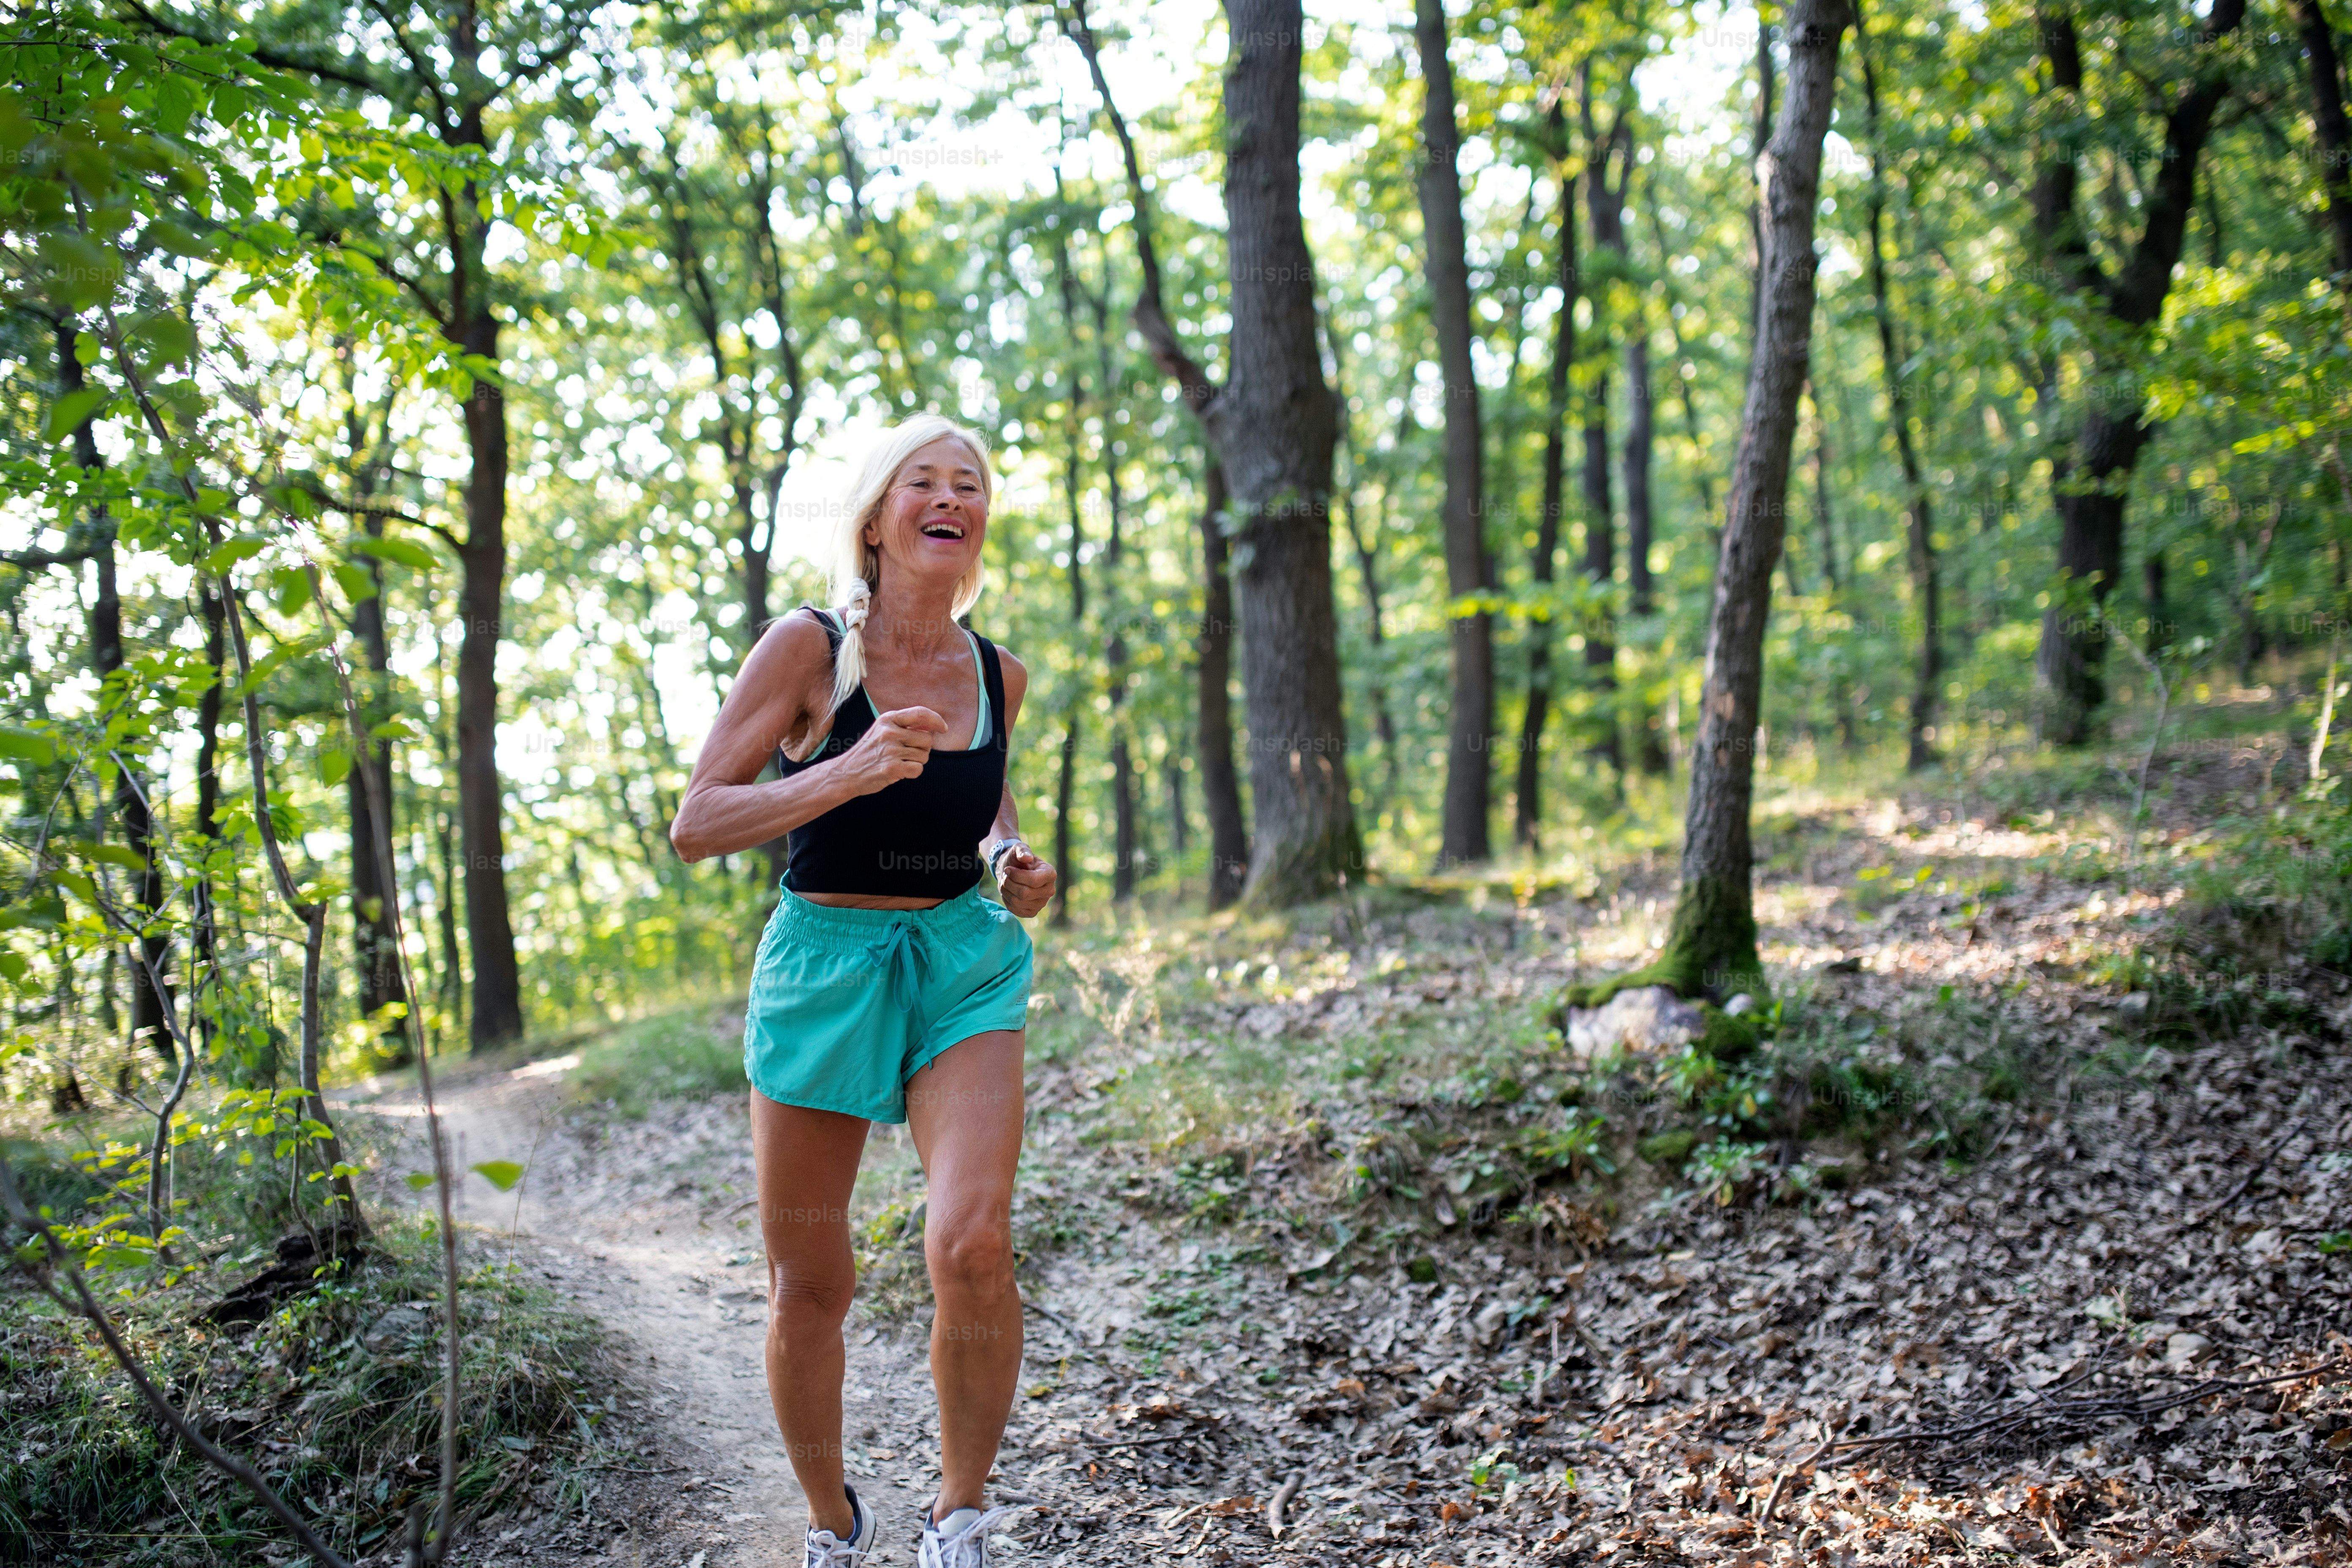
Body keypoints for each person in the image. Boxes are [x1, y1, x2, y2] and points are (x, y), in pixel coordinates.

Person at [671, 415, 1057, 1568]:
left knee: (973, 1242)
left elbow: (982, 800)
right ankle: (832, 1527)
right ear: (880, 520)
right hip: (824, 964)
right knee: (809, 1281)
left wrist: (1009, 860)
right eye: (924, 482)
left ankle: (961, 1519)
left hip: (959, 965)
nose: (951, 498)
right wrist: (845, 769)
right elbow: (698, 823)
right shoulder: (807, 649)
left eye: (971, 485)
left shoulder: (1001, 673)